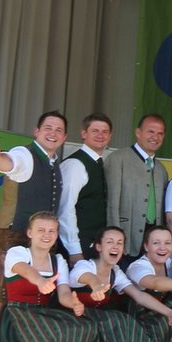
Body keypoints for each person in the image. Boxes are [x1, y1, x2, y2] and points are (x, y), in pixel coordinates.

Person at [0, 111, 69, 342]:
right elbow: (11, 163)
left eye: (59, 129)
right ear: (36, 131)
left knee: (38, 296)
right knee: (0, 295)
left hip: (43, 238)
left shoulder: (54, 163)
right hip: (15, 234)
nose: (53, 133)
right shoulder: (25, 154)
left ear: (65, 137)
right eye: (48, 127)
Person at [0, 211, 94, 342]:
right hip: (19, 316)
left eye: (52, 231)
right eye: (41, 230)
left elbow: (64, 293)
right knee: (62, 332)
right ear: (30, 233)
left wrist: (74, 304)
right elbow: (24, 269)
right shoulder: (17, 252)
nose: (47, 235)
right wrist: (39, 281)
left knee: (84, 328)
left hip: (44, 315)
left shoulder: (58, 260)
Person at [68, 225, 172, 342]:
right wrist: (97, 285)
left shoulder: (116, 272)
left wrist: (168, 312)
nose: (115, 246)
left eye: (120, 243)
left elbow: (139, 296)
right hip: (74, 314)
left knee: (127, 323)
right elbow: (85, 276)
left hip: (95, 316)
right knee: (118, 320)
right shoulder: (86, 265)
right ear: (99, 247)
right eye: (110, 242)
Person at [103, 113, 168, 257]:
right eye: (150, 131)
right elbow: (111, 203)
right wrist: (115, 240)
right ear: (138, 132)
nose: (155, 137)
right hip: (125, 237)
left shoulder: (161, 169)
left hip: (152, 242)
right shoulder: (118, 159)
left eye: (160, 133)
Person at [58, 112, 113, 264]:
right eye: (95, 131)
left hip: (94, 244)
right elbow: (65, 209)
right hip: (78, 247)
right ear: (84, 133)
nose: (100, 135)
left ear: (110, 136)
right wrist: (74, 250)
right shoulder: (75, 165)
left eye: (105, 132)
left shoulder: (99, 163)